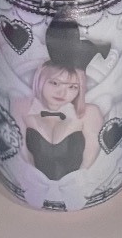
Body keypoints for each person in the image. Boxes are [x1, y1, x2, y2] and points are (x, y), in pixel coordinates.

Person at [13, 18, 109, 181]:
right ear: (41, 80)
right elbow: (21, 156)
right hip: (31, 185)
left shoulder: (89, 113)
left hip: (76, 188)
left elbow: (89, 159)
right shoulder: (20, 107)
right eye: (55, 83)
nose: (62, 93)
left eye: (73, 87)